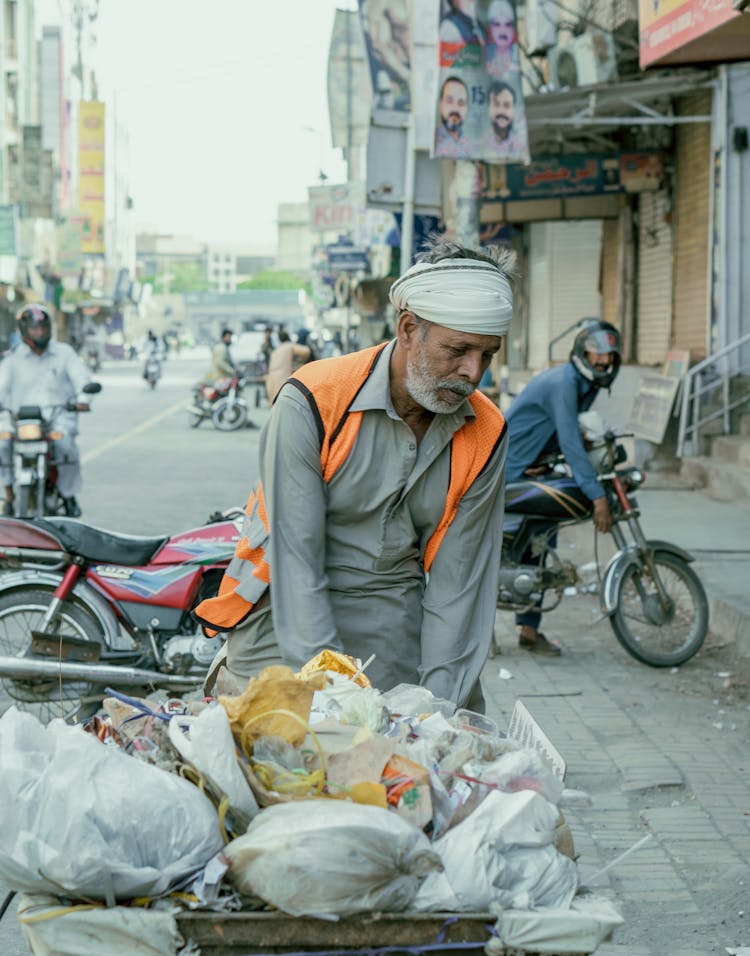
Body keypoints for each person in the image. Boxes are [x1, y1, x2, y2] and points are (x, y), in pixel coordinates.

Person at [196, 239, 516, 713]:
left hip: (391, 612)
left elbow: (458, 591)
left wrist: (441, 714)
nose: (473, 372)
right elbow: (296, 560)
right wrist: (333, 694)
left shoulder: (485, 430)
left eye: (488, 355)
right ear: (409, 329)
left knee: (419, 747)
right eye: (458, 350)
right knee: (287, 753)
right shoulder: (313, 399)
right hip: (281, 612)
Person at [504, 319, 622, 656]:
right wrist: (597, 495)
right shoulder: (565, 382)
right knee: (536, 534)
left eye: (608, 357)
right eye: (595, 355)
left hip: (533, 464)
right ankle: (512, 624)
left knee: (542, 534)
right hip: (510, 468)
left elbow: (566, 433)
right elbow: (570, 441)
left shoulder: (586, 384)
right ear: (582, 354)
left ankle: (529, 630)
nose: (602, 362)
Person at [0, 304, 95, 517]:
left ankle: (68, 495)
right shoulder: (13, 358)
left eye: (43, 328)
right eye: (34, 329)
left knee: (65, 445)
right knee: (2, 443)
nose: (39, 333)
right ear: (24, 330)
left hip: (57, 417)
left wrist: (83, 398)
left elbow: (82, 379)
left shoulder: (64, 353)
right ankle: (9, 494)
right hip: (20, 420)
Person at [264, 330, 312, 404]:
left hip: (271, 379)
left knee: (274, 404)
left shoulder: (276, 350)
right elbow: (306, 351)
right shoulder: (289, 346)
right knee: (283, 403)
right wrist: (301, 360)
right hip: (281, 378)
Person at [482, 80, 527, 158]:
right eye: (496, 104)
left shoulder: (521, 147)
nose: (501, 111)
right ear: (488, 108)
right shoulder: (479, 146)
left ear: (514, 110)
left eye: (507, 105)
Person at [434, 75, 471, 158]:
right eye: (449, 101)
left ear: (466, 108)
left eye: (461, 103)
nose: (455, 108)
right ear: (440, 104)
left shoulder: (471, 146)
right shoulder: (432, 141)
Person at [484, 0, 521, 79]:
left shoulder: (520, 55)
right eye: (497, 24)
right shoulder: (484, 56)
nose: (503, 30)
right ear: (490, 29)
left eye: (508, 25)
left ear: (513, 29)